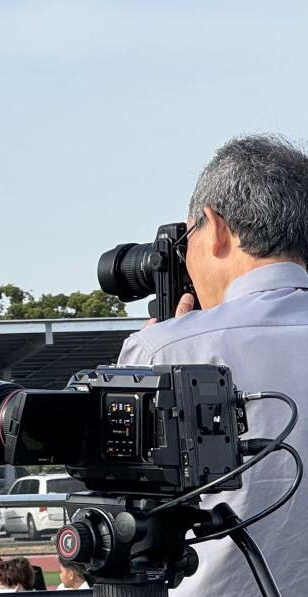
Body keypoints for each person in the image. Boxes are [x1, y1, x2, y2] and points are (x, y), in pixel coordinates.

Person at [117, 135, 308, 595]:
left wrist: (164, 349)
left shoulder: (163, 352)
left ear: (215, 227)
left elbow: (116, 527)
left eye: (188, 238)